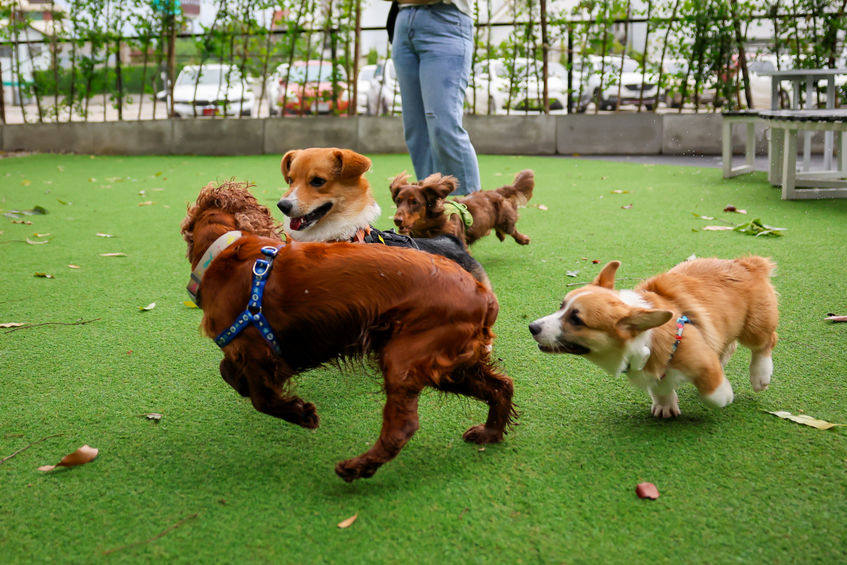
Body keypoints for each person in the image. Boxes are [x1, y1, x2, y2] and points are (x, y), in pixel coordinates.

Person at [390, 0, 481, 196]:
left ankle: (469, 209)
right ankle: (432, 211)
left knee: (443, 125)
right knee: (416, 130)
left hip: (445, 20)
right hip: (403, 23)